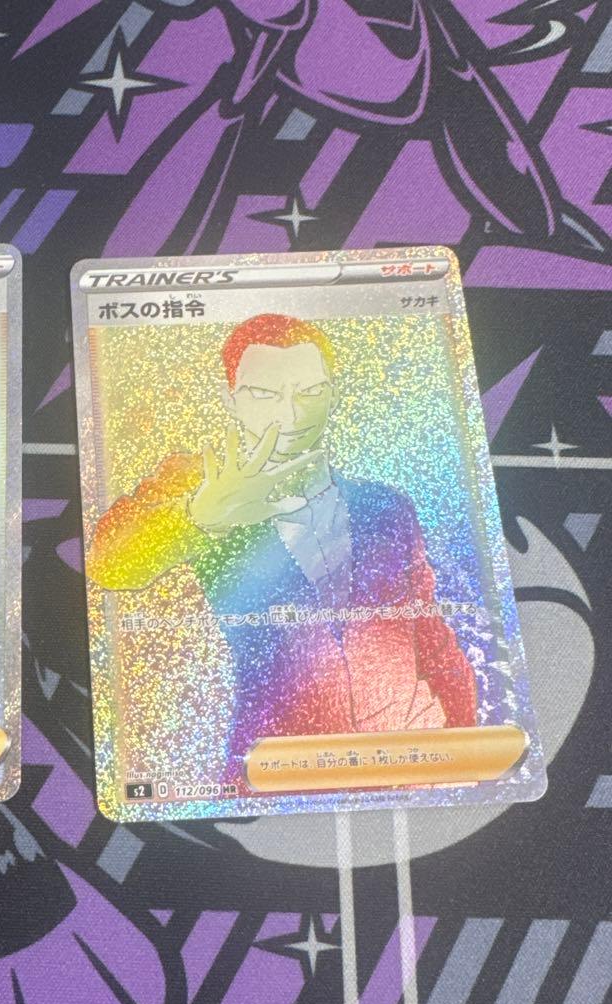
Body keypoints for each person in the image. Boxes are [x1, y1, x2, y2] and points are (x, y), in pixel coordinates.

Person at [87, 313, 475, 771]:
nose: (290, 414)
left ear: (333, 394)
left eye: (309, 392)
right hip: (278, 768)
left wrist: (464, 746)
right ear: (230, 399)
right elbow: (108, 563)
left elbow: (430, 637)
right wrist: (198, 517)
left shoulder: (386, 506)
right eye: (264, 393)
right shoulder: (203, 485)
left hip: (410, 758)